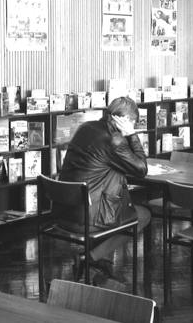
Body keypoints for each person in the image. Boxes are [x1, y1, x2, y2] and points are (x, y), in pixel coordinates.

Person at [57, 96, 150, 286]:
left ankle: (100, 263)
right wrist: (132, 135)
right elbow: (141, 169)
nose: (133, 126)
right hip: (88, 216)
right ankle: (90, 257)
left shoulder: (86, 127)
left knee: (118, 205)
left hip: (65, 209)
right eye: (133, 122)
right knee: (142, 215)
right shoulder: (114, 139)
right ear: (124, 120)